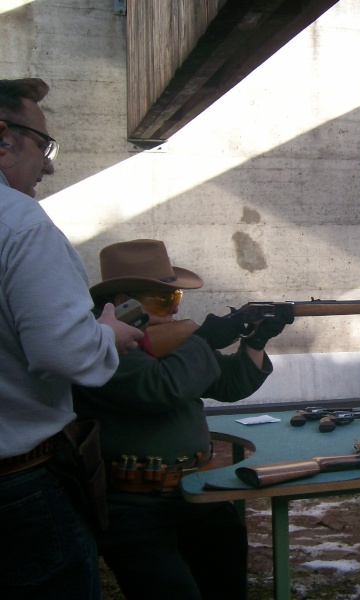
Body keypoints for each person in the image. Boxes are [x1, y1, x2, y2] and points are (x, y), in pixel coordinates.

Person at [73, 238, 292, 600]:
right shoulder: (99, 345)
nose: (174, 309)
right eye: (163, 300)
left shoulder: (169, 341)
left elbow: (230, 383)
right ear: (121, 303)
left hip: (194, 493)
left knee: (225, 579)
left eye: (175, 298)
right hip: (133, 506)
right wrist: (205, 340)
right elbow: (161, 388)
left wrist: (255, 341)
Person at [0, 78, 143, 599]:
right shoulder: (19, 224)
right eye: (44, 144)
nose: (49, 165)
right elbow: (63, 351)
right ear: (3, 138)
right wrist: (106, 335)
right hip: (15, 486)